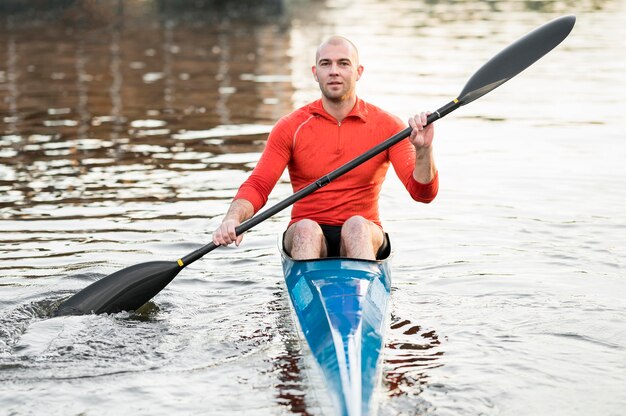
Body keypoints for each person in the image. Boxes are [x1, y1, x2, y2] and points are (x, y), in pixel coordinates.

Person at [212, 35, 438, 260]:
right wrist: (232, 219)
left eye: (343, 63)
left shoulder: (388, 126)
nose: (334, 71)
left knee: (356, 227)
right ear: (315, 73)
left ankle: (361, 292)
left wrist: (424, 150)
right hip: (306, 234)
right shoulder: (291, 127)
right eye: (325, 64)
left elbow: (423, 194)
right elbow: (259, 185)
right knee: (306, 229)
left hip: (364, 233)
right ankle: (309, 292)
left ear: (358, 72)